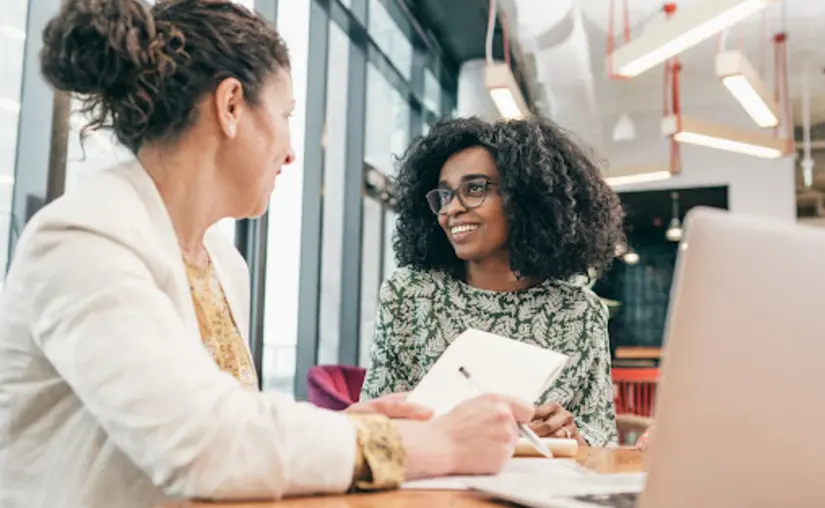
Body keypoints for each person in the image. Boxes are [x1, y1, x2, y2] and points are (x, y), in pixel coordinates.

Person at [0, 2, 534, 507]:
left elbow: (228, 423)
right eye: (285, 114)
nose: (290, 150)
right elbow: (202, 444)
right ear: (230, 105)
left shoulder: (221, 260)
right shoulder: (82, 238)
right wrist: (437, 445)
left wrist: (353, 427)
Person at [361, 116, 625, 447]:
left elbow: (603, 440)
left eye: (474, 189)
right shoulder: (410, 295)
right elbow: (373, 424)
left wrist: (570, 435)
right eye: (444, 196)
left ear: (527, 198)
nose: (451, 210)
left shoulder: (581, 312)